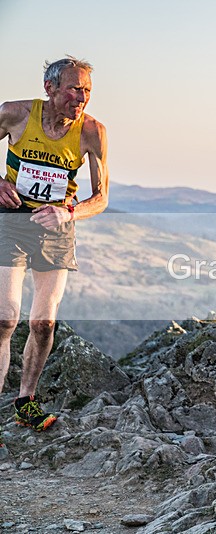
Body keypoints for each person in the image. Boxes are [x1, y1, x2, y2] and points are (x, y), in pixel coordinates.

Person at [0, 56, 109, 460]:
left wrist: (69, 211)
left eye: (87, 91)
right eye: (73, 89)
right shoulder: (14, 114)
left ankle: (25, 402)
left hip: (56, 228)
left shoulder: (93, 131)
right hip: (11, 221)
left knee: (43, 323)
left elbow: (101, 197)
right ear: (50, 88)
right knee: (5, 318)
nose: (80, 98)